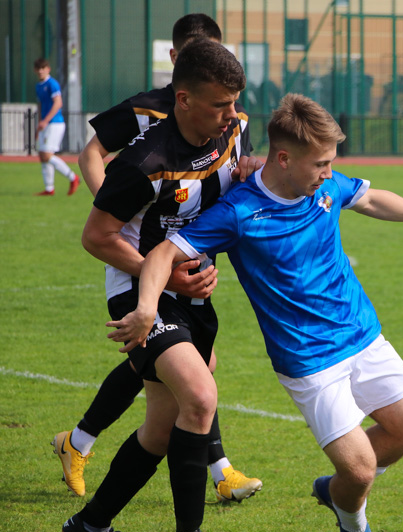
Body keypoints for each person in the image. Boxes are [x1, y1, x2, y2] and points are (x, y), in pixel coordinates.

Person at [106, 93, 403, 532]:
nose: (328, 173)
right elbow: (161, 255)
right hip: (309, 360)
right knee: (362, 469)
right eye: (320, 164)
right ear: (284, 158)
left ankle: (334, 491)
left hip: (362, 335)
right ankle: (356, 530)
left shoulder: (323, 185)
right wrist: (145, 307)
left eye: (331, 163)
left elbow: (368, 196)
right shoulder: (240, 212)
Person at [53, 13, 262, 505]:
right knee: (190, 380)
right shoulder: (148, 120)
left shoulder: (230, 121)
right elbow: (92, 160)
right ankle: (217, 476)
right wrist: (119, 211)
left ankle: (80, 455)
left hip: (188, 269)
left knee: (178, 384)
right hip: (140, 262)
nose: (230, 110)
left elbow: (233, 182)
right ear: (177, 64)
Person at [33, 58, 80, 196]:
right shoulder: (38, 86)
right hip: (46, 123)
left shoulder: (52, 84)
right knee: (42, 155)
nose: (41, 70)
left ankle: (73, 177)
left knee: (47, 155)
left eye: (43, 68)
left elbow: (58, 103)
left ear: (48, 69)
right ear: (35, 70)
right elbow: (41, 105)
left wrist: (46, 120)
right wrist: (40, 123)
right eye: (38, 68)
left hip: (55, 123)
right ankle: (49, 188)